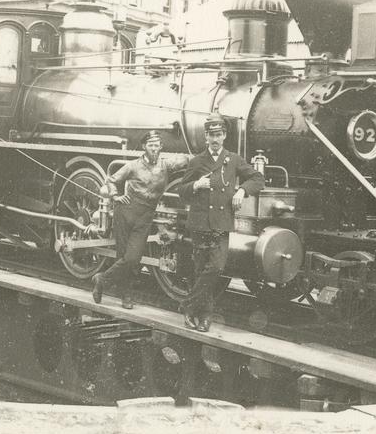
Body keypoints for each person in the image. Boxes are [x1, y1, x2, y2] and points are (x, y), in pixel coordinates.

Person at [174, 114, 264, 331]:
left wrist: (242, 190)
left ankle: (187, 304)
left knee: (216, 267)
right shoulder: (196, 161)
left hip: (221, 224)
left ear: (224, 136)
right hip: (200, 223)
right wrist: (196, 185)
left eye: (219, 134)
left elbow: (258, 179)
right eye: (211, 135)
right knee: (200, 269)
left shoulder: (233, 159)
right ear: (206, 137)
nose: (215, 139)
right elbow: (181, 191)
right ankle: (205, 317)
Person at [93, 131, 186, 309]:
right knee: (123, 256)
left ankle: (101, 279)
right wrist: (115, 196)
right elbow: (111, 181)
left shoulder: (166, 165)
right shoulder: (133, 166)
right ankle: (126, 296)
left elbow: (185, 160)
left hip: (145, 216)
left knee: (133, 258)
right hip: (126, 211)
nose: (154, 148)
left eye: (157, 145)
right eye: (150, 145)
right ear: (144, 147)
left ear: (161, 147)